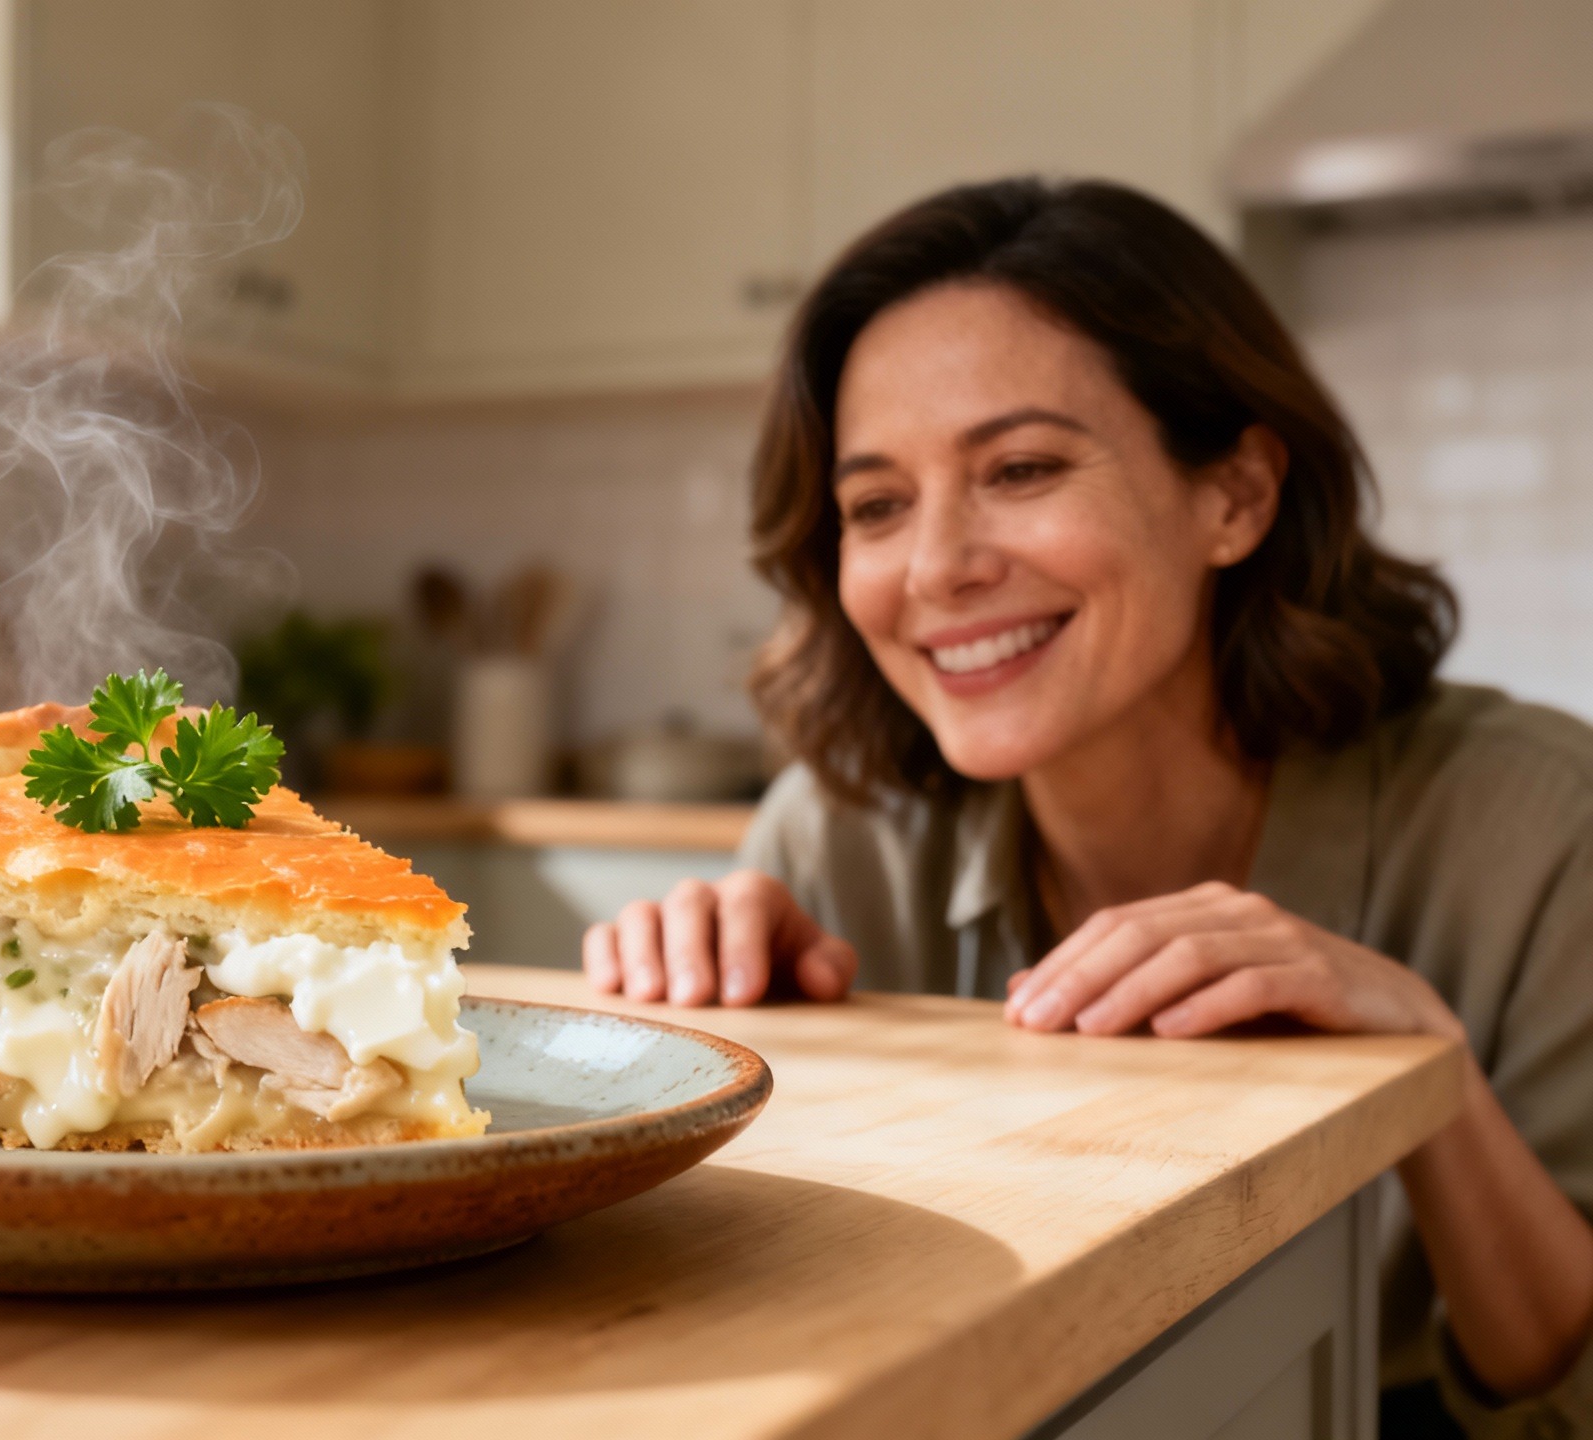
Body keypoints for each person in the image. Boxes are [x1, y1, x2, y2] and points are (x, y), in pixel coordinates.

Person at [582, 177, 1593, 1439]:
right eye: (876, 504)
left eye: (1019, 468)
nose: (940, 565)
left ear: (1234, 497)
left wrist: (1424, 1069)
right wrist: (681, 1034)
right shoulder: (828, 839)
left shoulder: (1545, 827)